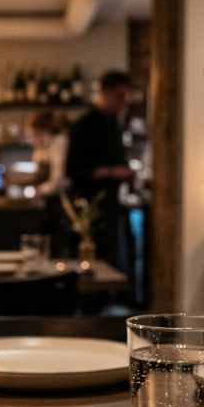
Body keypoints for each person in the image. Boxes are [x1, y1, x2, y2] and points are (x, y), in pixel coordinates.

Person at [65, 71, 135, 269]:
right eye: (119, 97)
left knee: (115, 265)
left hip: (112, 206)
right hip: (89, 211)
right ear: (105, 93)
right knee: (92, 266)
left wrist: (126, 172)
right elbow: (73, 169)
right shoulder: (84, 126)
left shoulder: (115, 125)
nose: (123, 103)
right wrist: (111, 173)